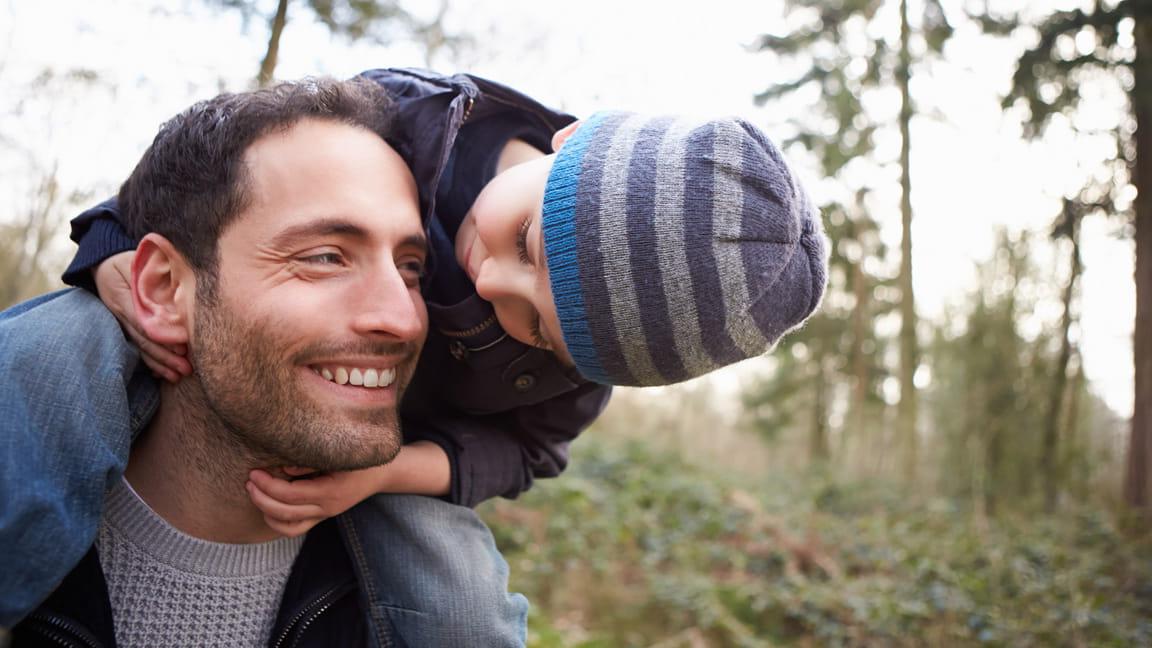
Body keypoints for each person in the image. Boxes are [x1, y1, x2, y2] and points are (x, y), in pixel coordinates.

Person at [1, 69, 827, 642]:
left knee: (459, 597)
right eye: (528, 242)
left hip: (387, 450)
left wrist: (383, 473)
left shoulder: (572, 382)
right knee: (56, 347)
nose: (488, 279)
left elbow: (527, 452)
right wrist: (110, 256)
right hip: (173, 320)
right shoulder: (406, 118)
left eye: (532, 327)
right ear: (567, 139)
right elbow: (217, 173)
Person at [8, 75, 508, 646]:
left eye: (411, 267)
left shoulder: (438, 613)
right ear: (164, 287)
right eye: (325, 257)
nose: (402, 318)